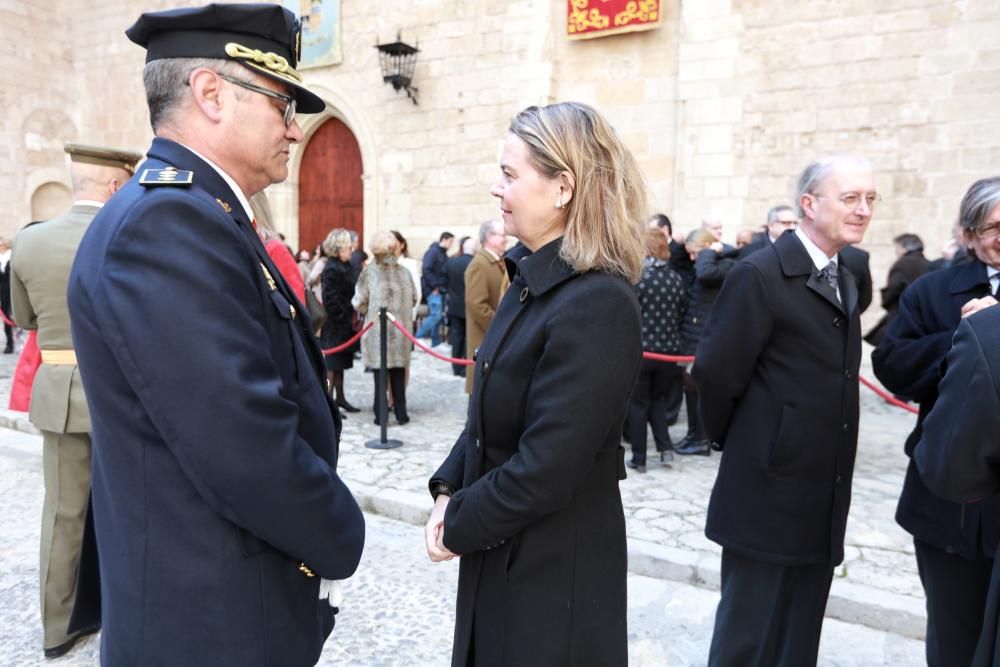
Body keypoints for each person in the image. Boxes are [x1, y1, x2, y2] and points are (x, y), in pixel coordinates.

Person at [65, 6, 365, 664]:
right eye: (282, 102)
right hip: (209, 617)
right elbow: (242, 440)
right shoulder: (169, 223)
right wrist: (341, 531)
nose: (294, 127)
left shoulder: (195, 209)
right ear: (210, 94)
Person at [425, 102, 646, 666]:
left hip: (552, 577)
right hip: (503, 551)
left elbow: (550, 463)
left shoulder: (598, 300)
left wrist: (458, 526)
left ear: (563, 186)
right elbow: (490, 410)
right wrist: (449, 488)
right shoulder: (530, 278)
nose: (497, 190)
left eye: (510, 174)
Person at [693, 155, 876, 666]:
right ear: (809, 205)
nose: (863, 210)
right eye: (850, 198)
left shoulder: (848, 272)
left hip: (821, 487)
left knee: (799, 637)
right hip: (766, 489)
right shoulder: (760, 274)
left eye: (870, 199)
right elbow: (715, 372)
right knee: (749, 638)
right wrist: (756, 438)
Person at [10, 142, 141, 659]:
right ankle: (126, 616)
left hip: (62, 390)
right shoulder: (130, 233)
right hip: (124, 393)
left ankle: (58, 625)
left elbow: (24, 320)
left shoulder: (30, 242)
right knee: (130, 512)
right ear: (115, 185)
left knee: (63, 515)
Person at [873, 176, 1000, 667]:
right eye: (994, 227)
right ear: (968, 234)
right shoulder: (932, 290)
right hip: (951, 502)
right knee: (954, 637)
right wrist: (969, 340)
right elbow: (893, 365)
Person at [913, 304, 1000, 667]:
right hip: (951, 533)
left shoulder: (990, 329)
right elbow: (896, 361)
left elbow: (948, 467)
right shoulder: (935, 288)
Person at [626, 228, 687, 472]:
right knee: (659, 401)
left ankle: (639, 458)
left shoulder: (637, 278)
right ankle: (665, 450)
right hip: (669, 353)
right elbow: (682, 312)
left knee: (638, 404)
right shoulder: (676, 279)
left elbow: (628, 314)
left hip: (643, 351)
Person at [675, 228, 737, 456]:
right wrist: (684, 244)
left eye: (695, 253)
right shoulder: (704, 260)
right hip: (692, 336)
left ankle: (701, 439)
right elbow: (679, 259)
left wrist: (711, 251)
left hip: (703, 338)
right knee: (690, 389)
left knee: (698, 389)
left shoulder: (723, 265)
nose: (692, 259)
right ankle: (694, 434)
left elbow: (705, 273)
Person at [353, 230, 416, 425]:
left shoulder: (369, 271)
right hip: (401, 329)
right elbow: (413, 298)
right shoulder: (404, 272)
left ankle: (380, 415)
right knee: (398, 371)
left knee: (380, 375)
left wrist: (370, 311)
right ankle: (401, 413)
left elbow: (359, 301)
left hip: (376, 329)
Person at [463, 219, 509, 394]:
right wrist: (497, 328)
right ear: (489, 237)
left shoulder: (495, 262)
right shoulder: (480, 265)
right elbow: (476, 304)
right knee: (479, 392)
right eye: (502, 235)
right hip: (484, 336)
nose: (506, 239)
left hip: (491, 337)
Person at [864, 233, 930, 345]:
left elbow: (894, 288)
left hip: (901, 317)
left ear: (904, 248)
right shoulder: (929, 264)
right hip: (921, 319)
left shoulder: (902, 263)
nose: (896, 252)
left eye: (897, 248)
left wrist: (886, 301)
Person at [320, 229, 360, 414]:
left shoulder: (346, 265)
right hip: (336, 323)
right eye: (347, 246)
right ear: (339, 248)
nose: (351, 249)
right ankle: (328, 405)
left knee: (341, 364)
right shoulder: (331, 267)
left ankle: (340, 399)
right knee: (333, 365)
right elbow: (330, 298)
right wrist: (343, 316)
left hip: (345, 323)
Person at [415, 231, 454, 346]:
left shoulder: (443, 254)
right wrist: (435, 287)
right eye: (451, 241)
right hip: (433, 290)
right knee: (436, 315)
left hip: (441, 289)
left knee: (439, 316)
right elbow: (426, 270)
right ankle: (418, 336)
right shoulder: (433, 252)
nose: (451, 244)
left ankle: (435, 343)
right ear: (444, 240)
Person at [445, 236, 475, 376]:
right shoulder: (475, 263)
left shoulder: (452, 263)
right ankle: (463, 367)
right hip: (469, 306)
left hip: (455, 305)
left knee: (456, 337)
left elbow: (445, 282)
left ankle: (456, 366)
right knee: (467, 337)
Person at [0, 237, 13, 353]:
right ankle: (10, 343)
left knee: (17, 316)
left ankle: (21, 342)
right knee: (6, 318)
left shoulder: (12, 256)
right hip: (3, 293)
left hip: (15, 290)